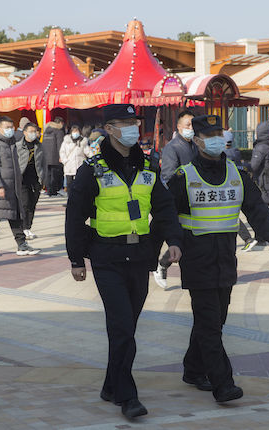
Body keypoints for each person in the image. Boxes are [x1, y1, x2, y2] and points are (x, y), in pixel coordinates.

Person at [66, 104, 182, 419]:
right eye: (126, 123)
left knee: (126, 326)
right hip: (107, 258)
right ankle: (127, 396)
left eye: (135, 122)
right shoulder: (93, 169)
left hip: (138, 257)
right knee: (122, 327)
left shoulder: (147, 166)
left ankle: (109, 385)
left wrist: (173, 240)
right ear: (110, 128)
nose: (133, 128)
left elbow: (164, 206)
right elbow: (75, 216)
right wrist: (76, 259)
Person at [167, 114, 269, 403]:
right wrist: (171, 244)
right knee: (209, 324)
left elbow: (255, 207)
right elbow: (167, 215)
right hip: (196, 259)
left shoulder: (236, 173)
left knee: (214, 321)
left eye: (219, 133)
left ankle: (193, 369)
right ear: (196, 141)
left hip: (225, 259)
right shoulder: (184, 177)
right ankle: (223, 384)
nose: (217, 139)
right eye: (210, 135)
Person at [0, 116, 40, 257]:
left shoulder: (12, 143)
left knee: (16, 217)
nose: (11, 130)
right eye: (7, 128)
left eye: (12, 127)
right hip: (0, 188)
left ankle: (22, 245)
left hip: (13, 188)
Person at [152, 110, 196, 288]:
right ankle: (161, 265)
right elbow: (169, 176)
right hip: (175, 202)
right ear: (179, 127)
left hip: (192, 201)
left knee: (185, 240)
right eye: (188, 125)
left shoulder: (195, 145)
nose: (191, 128)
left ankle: (162, 264)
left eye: (193, 125)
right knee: (173, 237)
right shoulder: (173, 147)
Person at [17, 122, 44, 240]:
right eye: (31, 131)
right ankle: (23, 227)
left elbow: (44, 163)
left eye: (35, 132)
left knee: (32, 204)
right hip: (22, 179)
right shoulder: (18, 146)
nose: (33, 134)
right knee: (25, 204)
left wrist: (43, 179)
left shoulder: (40, 146)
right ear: (24, 132)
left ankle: (28, 227)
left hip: (36, 179)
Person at [60, 124, 89, 194]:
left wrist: (93, 158)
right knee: (69, 184)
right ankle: (70, 199)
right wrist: (65, 161)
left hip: (79, 165)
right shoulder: (66, 141)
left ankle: (79, 199)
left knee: (80, 184)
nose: (75, 133)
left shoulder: (83, 141)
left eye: (77, 131)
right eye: (74, 131)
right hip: (69, 165)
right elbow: (62, 152)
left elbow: (88, 151)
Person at [42, 116, 66, 197]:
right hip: (55, 156)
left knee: (48, 174)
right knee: (55, 174)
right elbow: (60, 145)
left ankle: (49, 190)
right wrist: (61, 156)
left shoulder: (46, 131)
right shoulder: (59, 132)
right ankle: (54, 191)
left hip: (46, 156)